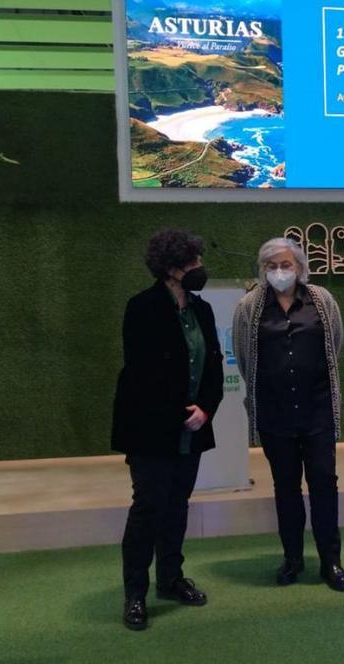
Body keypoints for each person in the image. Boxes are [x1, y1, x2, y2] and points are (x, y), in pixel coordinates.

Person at [111, 228, 223, 631]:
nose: (199, 268)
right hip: (151, 429)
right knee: (148, 509)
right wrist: (182, 411)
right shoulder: (140, 308)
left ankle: (171, 578)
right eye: (192, 262)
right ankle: (135, 593)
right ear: (170, 269)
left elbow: (213, 365)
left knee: (177, 506)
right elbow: (143, 374)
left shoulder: (203, 310)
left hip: (193, 428)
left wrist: (206, 409)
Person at [233, 238, 344, 592]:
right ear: (263, 270)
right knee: (286, 489)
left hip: (317, 412)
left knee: (324, 486)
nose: (280, 271)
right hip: (275, 415)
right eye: (271, 266)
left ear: (299, 267)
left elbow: (336, 344)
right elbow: (243, 355)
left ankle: (331, 561)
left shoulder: (322, 300)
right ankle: (293, 559)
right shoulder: (249, 306)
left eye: (286, 264)